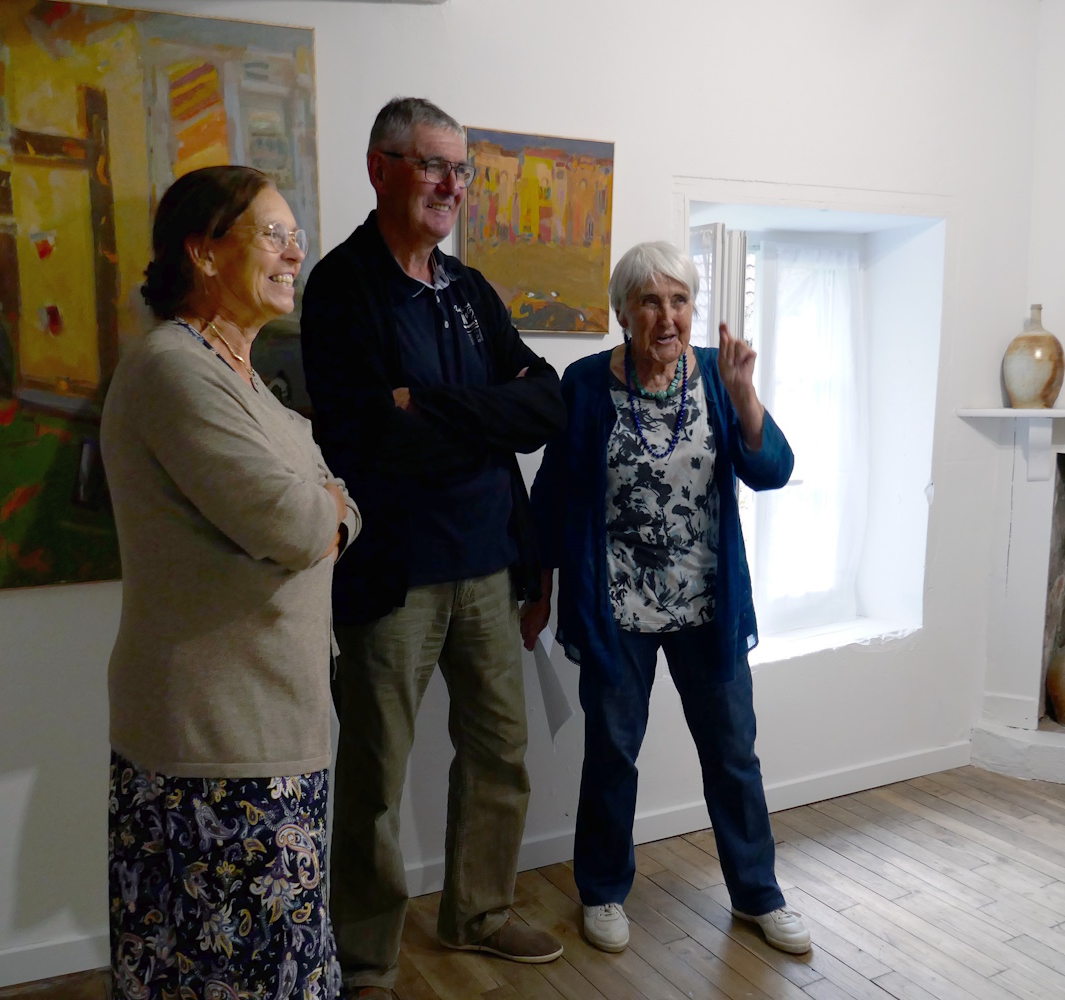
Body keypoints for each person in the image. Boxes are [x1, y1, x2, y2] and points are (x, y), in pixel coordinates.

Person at [300, 97, 566, 996]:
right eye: (432, 165)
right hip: (395, 574)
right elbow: (373, 437)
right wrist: (485, 421)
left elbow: (546, 402)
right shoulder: (341, 289)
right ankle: (366, 957)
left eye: (462, 170)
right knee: (375, 773)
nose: (451, 185)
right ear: (380, 169)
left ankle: (478, 914)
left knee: (500, 750)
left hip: (488, 564)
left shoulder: (469, 291)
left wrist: (435, 407)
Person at [100, 165, 360, 1000]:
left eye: (295, 235)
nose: (296, 252)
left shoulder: (249, 385)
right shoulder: (172, 370)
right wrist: (324, 511)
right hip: (214, 743)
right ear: (205, 252)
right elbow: (296, 522)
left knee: (279, 966)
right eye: (273, 234)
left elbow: (336, 500)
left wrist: (327, 509)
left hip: (271, 726)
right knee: (226, 975)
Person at [521, 241, 811, 956]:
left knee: (733, 755)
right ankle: (603, 890)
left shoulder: (716, 376)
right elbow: (554, 494)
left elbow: (773, 469)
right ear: (624, 312)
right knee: (612, 753)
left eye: (680, 300)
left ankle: (759, 895)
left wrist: (746, 397)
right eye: (650, 301)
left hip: (707, 606)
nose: (667, 316)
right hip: (615, 606)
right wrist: (540, 587)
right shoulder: (587, 384)